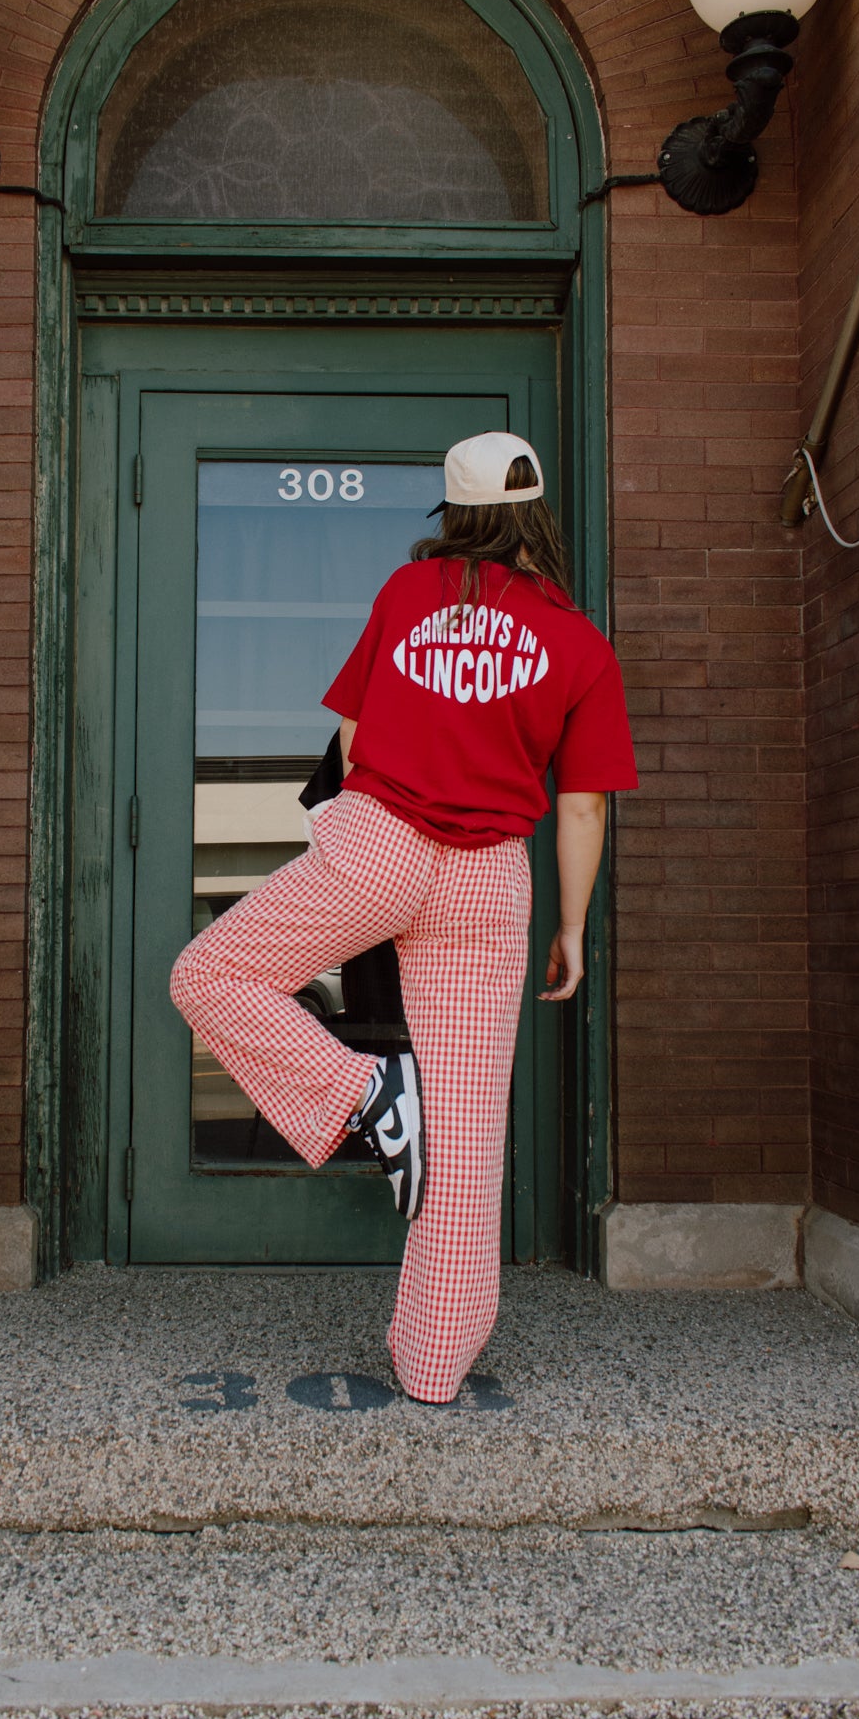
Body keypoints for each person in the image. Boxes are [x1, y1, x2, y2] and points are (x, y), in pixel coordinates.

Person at [170, 431, 637, 1405]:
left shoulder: (404, 596)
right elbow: (586, 803)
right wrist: (572, 926)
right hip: (488, 881)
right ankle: (434, 1363)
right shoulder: (581, 641)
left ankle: (365, 1091)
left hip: (380, 843)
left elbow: (350, 731)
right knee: (468, 1138)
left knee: (209, 974)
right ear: (535, 514)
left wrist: (344, 823)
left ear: (453, 512)